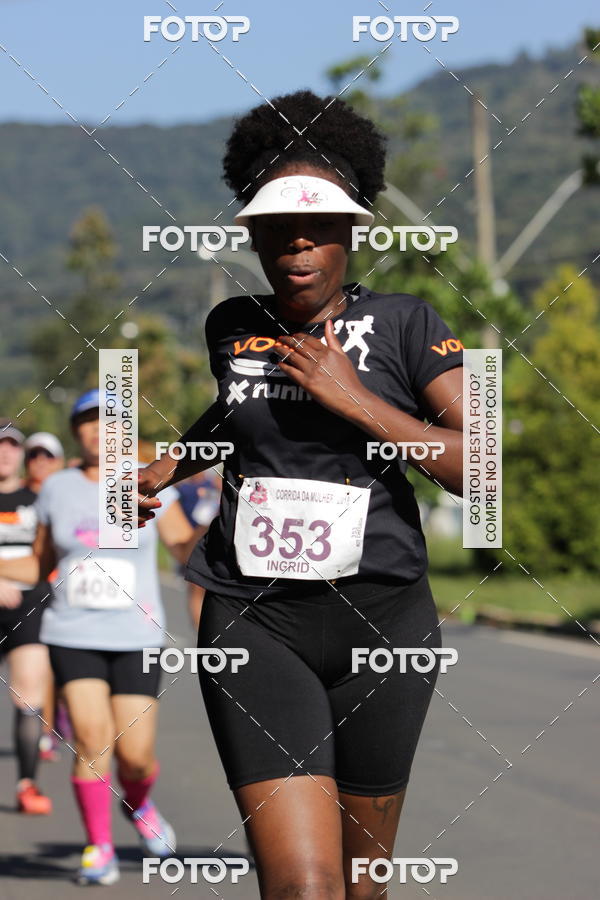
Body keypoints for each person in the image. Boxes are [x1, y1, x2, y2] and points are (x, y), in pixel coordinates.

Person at [137, 90, 464, 898]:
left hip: (384, 621)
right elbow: (236, 419)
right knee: (304, 886)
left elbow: (478, 465)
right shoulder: (230, 325)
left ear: (354, 232)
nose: (296, 246)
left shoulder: (410, 324)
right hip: (254, 617)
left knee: (362, 886)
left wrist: (353, 399)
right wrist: (166, 468)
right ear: (250, 233)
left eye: (317, 228)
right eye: (276, 228)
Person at [0, 391, 201, 886]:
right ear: (76, 432)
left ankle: (140, 804)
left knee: (136, 755)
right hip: (73, 632)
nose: (97, 430)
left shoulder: (149, 477)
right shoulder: (57, 488)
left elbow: (182, 547)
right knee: (91, 740)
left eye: (107, 421)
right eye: (87, 422)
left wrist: (228, 527)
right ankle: (100, 847)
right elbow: (39, 563)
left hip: (136, 636)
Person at [0, 419, 53, 814]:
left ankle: (27, 785)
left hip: (28, 605)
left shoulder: (39, 500)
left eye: (11, 445)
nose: (5, 452)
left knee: (28, 695)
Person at [24, 431, 65, 762]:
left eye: (47, 456)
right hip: (37, 589)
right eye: (33, 456)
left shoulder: (72, 491)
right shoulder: (21, 497)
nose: (40, 462)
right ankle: (47, 729)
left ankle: (60, 714)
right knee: (45, 666)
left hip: (70, 590)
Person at [175, 470, 221, 629]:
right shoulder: (183, 488)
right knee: (196, 587)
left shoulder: (213, 484)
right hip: (192, 541)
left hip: (212, 540)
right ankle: (199, 630)